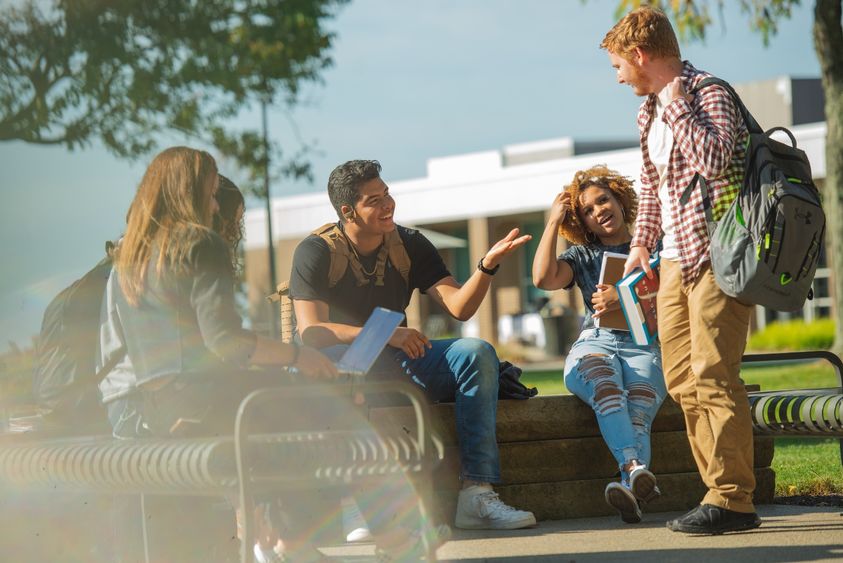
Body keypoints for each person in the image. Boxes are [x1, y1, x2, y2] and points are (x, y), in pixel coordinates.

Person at [97, 146, 339, 561]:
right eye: (210, 195)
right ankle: (287, 538)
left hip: (130, 410)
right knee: (298, 399)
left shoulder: (131, 255)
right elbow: (224, 340)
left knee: (258, 407)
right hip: (179, 405)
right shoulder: (198, 242)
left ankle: (267, 532)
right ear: (186, 193)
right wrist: (298, 357)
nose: (214, 206)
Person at [289, 159, 538, 531]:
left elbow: (460, 306)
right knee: (349, 368)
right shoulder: (316, 251)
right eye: (374, 200)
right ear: (347, 211)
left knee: (476, 353)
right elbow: (311, 332)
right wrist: (383, 332)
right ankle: (358, 505)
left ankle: (476, 495)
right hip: (344, 361)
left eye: (387, 194)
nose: (388, 204)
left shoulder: (410, 244)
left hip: (398, 358)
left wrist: (486, 266)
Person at [601, 6, 761, 534]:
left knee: (716, 376)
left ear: (640, 55)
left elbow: (716, 160)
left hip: (720, 254)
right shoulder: (646, 112)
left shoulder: (706, 92)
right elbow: (652, 188)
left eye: (620, 65)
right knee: (682, 380)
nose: (619, 77)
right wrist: (642, 243)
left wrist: (678, 109)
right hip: (673, 260)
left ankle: (733, 499)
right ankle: (715, 492)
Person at [532, 165, 666, 524]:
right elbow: (543, 278)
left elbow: (676, 294)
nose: (598, 211)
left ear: (620, 199)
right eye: (587, 211)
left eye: (603, 200)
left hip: (644, 346)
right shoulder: (581, 255)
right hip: (597, 343)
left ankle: (630, 490)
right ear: (583, 224)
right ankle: (634, 468)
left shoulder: (658, 246)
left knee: (639, 411)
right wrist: (552, 223)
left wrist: (626, 299)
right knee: (607, 388)